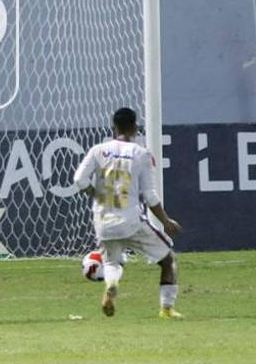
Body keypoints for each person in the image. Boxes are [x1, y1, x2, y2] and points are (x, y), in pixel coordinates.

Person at [73, 107, 184, 318]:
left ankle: (112, 285)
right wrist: (165, 220)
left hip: (103, 221)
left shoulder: (98, 150)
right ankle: (166, 309)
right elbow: (149, 195)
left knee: (111, 263)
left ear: (113, 127)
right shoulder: (141, 154)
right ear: (135, 127)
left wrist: (95, 194)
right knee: (168, 260)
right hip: (131, 221)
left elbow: (79, 180)